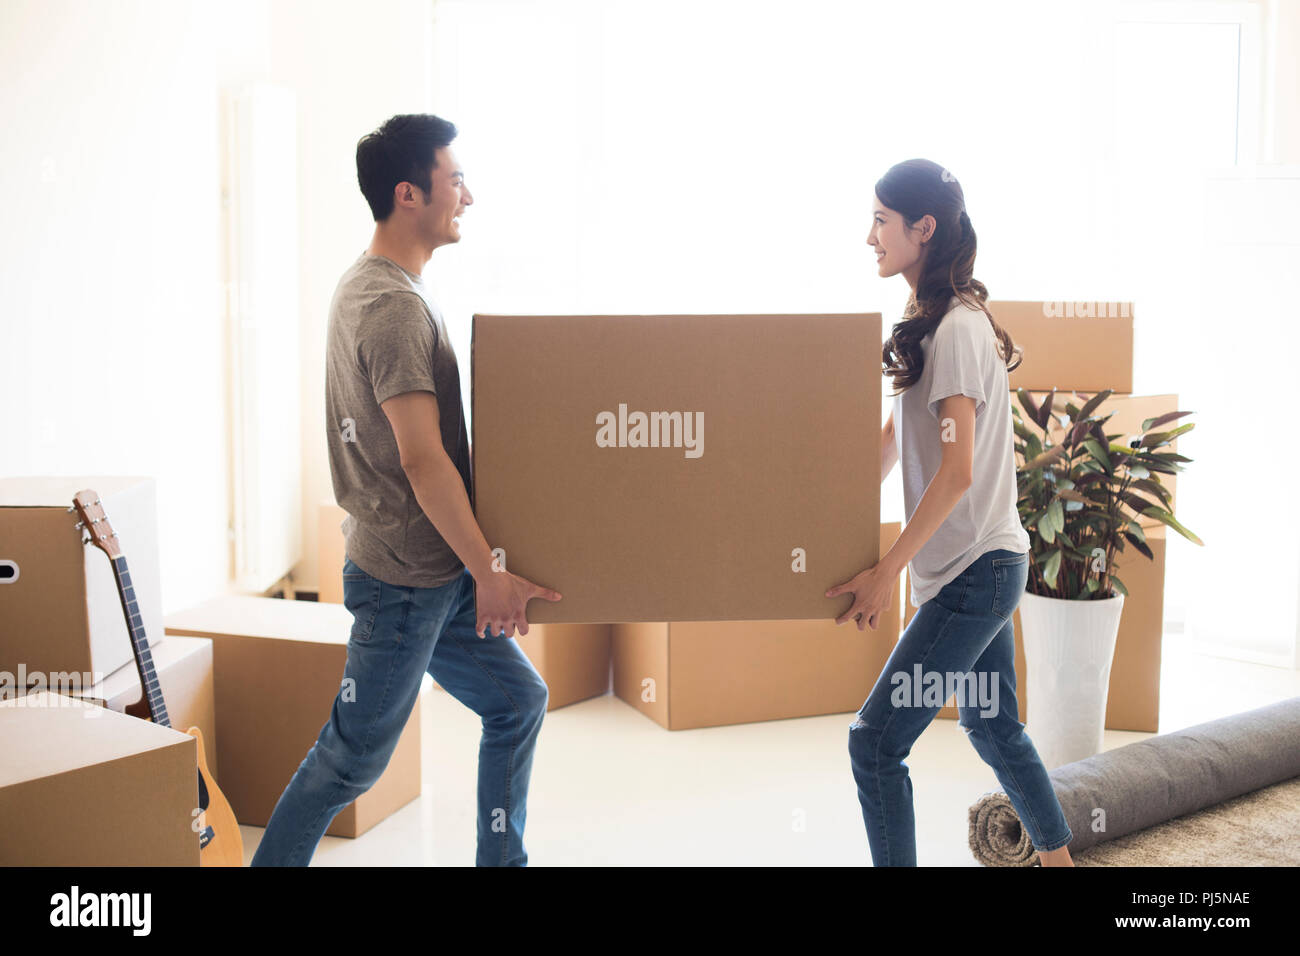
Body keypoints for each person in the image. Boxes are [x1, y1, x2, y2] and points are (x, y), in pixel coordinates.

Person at [251, 113, 561, 868]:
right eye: (456, 180)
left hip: (435, 571)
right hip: (402, 584)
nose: (469, 196)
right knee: (351, 760)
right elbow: (422, 461)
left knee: (518, 702)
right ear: (409, 194)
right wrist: (489, 572)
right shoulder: (389, 306)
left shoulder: (388, 287)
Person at [826, 159, 1074, 867]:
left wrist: (884, 573)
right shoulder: (927, 318)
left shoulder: (958, 327)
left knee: (874, 742)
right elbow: (896, 444)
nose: (869, 235)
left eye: (880, 220)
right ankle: (1060, 863)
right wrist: (820, 515)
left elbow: (957, 470)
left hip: (977, 575)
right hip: (980, 571)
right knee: (994, 728)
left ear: (922, 228)